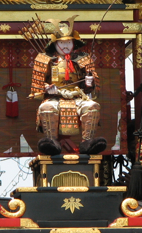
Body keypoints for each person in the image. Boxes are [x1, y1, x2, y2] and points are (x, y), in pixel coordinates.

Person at [30, 15, 106, 155]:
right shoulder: (44, 59)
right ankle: (51, 142)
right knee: (46, 107)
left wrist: (90, 83)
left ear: (74, 43)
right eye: (62, 43)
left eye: (69, 42)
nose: (66, 46)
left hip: (77, 97)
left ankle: (87, 142)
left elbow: (93, 87)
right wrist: (47, 88)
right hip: (55, 98)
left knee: (93, 106)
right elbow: (37, 87)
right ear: (54, 44)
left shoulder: (84, 59)